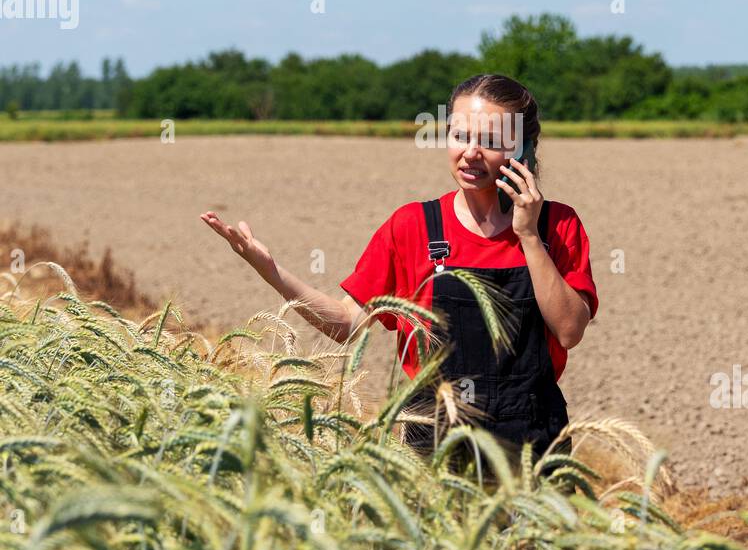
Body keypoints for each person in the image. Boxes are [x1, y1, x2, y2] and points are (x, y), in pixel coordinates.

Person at [200, 73, 598, 464]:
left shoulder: (556, 226)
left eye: (491, 141)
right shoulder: (413, 227)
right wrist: (271, 271)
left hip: (533, 446)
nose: (471, 152)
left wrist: (528, 235)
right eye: (460, 135)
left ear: (523, 150)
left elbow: (569, 330)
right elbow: (347, 324)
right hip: (435, 444)